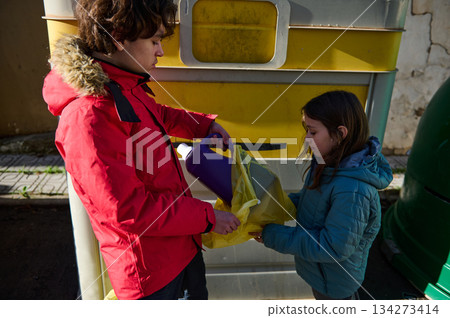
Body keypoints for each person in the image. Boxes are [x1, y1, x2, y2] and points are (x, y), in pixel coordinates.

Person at [42, 0, 240, 300]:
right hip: (152, 277)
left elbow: (154, 115)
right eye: (155, 40)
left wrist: (201, 125)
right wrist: (207, 216)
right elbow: (127, 211)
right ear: (119, 37)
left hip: (180, 249)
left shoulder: (121, 85)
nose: (160, 51)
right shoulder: (88, 117)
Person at [250, 91, 393, 300]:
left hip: (335, 285)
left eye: (312, 131)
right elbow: (312, 201)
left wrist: (273, 235)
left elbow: (332, 248)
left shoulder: (353, 190)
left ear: (341, 133)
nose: (307, 138)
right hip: (320, 275)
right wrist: (274, 207)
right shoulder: (328, 161)